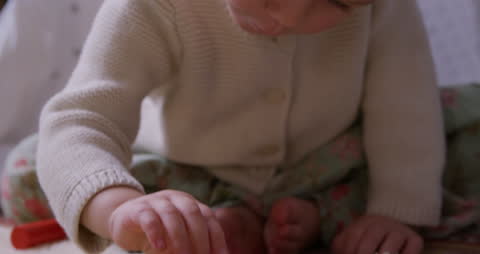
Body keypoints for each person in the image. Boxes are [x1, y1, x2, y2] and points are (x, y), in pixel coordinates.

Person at [2, 0, 480, 253]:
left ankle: (286, 219)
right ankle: (257, 220)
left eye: (335, 2)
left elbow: (404, 105)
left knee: (450, 136)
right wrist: (122, 209)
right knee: (30, 168)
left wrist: (395, 213)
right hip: (183, 173)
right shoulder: (155, 4)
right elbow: (81, 119)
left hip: (329, 161)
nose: (288, 14)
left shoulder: (383, 5)